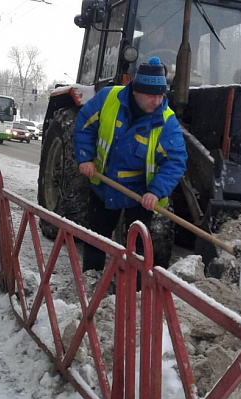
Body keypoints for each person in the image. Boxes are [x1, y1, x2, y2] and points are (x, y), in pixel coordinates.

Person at [74, 56, 187, 272]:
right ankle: (91, 281)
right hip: (104, 184)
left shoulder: (166, 120)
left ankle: (133, 293)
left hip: (139, 194)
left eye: (160, 95)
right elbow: (84, 124)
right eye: (151, 95)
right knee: (96, 238)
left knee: (137, 250)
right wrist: (85, 157)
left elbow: (175, 160)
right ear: (135, 90)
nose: (157, 101)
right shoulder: (109, 98)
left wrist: (156, 192)